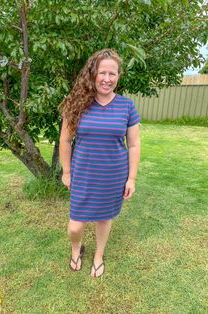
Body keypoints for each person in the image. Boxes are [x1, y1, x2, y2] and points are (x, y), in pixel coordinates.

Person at [59, 48, 141, 277]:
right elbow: (65, 141)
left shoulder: (127, 107)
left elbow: (134, 145)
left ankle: (98, 255)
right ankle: (76, 248)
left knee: (104, 219)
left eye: (112, 74)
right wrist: (67, 172)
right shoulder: (76, 103)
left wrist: (131, 179)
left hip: (113, 176)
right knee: (75, 226)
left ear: (118, 76)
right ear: (93, 74)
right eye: (102, 73)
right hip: (83, 175)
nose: (107, 79)